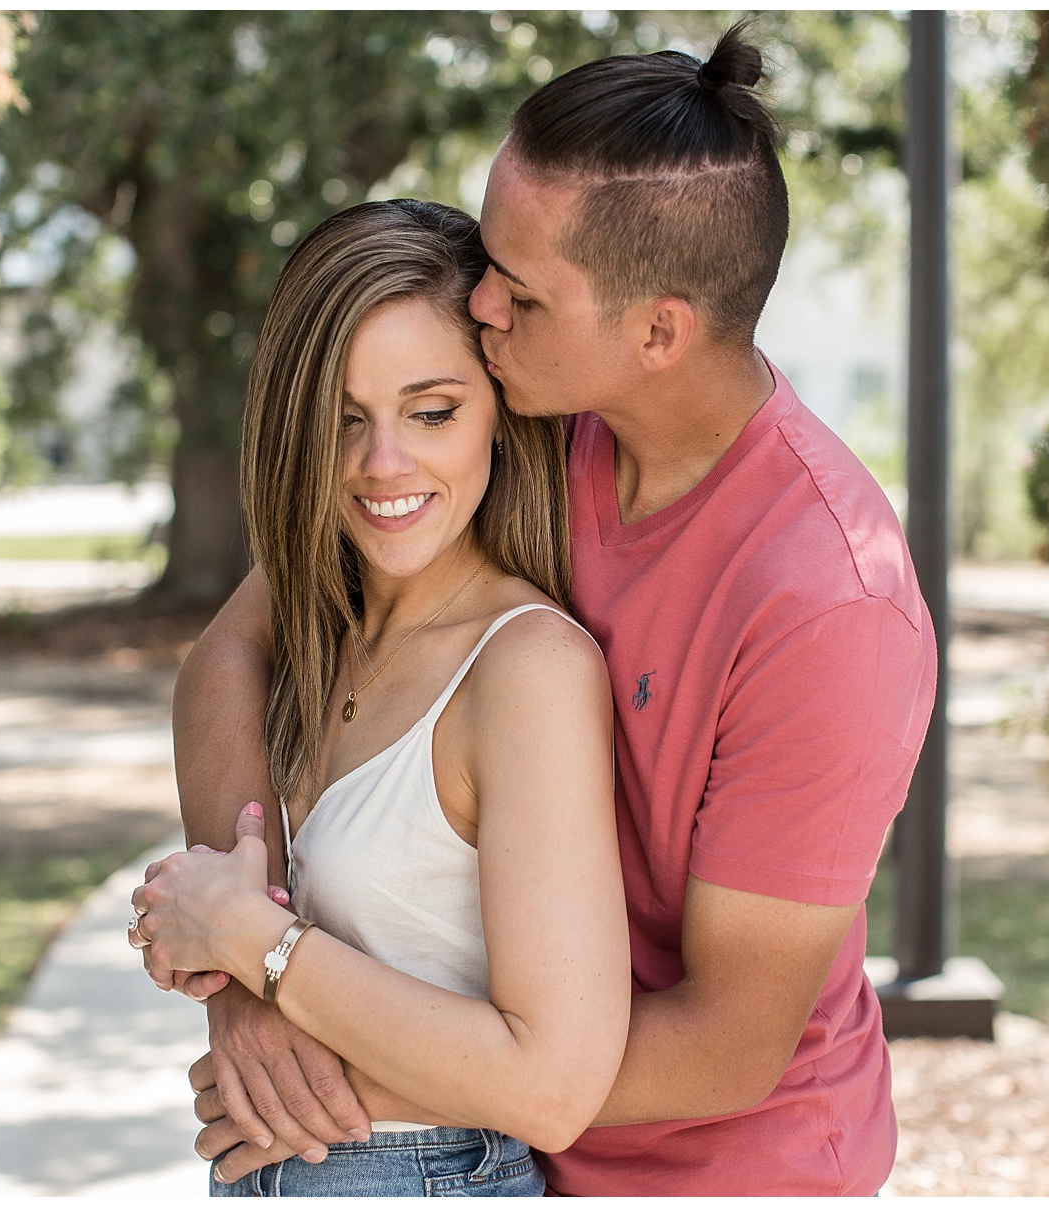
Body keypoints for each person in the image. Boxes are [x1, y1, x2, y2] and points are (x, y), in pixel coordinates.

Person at [170, 23, 937, 1197]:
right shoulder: (523, 415)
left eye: (519, 291)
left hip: (718, 1176)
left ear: (658, 332)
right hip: (512, 1147)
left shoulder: (831, 604)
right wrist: (248, 982)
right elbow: (236, 643)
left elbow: (730, 1043)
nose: (478, 303)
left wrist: (310, 1038)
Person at [130, 198, 628, 1196]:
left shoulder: (525, 668)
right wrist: (238, 984)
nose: (382, 464)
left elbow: (553, 1084)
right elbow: (216, 663)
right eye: (343, 419)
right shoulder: (329, 611)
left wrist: (255, 944)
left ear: (498, 407)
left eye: (431, 411)